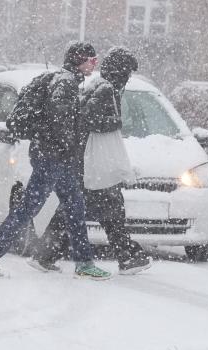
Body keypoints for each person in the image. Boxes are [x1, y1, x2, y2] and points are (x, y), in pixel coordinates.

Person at [0, 41, 112, 281]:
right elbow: (60, 124)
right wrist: (66, 148)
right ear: (80, 60)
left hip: (57, 159)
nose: (95, 64)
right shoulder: (66, 84)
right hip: (53, 159)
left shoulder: (66, 81)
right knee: (29, 208)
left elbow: (58, 122)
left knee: (75, 208)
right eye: (92, 59)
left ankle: (84, 262)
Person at [28, 46, 151, 275]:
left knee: (84, 210)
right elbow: (84, 120)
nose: (128, 78)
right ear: (120, 72)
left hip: (86, 163)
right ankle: (126, 256)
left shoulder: (100, 86)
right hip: (90, 165)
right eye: (127, 73)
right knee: (104, 209)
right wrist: (113, 123)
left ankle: (46, 254)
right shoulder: (105, 89)